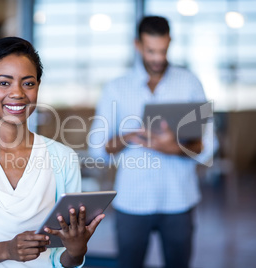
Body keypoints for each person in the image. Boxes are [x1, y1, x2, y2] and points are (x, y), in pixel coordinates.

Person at [0, 37, 105, 268]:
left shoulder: (63, 158)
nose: (17, 93)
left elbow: (62, 260)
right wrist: (7, 250)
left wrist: (76, 251)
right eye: (4, 83)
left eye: (28, 83)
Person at [88, 16, 217, 268]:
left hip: (179, 199)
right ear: (138, 45)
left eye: (163, 50)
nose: (158, 58)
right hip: (132, 201)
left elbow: (209, 145)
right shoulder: (115, 88)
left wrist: (173, 147)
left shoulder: (190, 82)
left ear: (170, 43)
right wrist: (128, 137)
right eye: (150, 51)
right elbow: (98, 149)